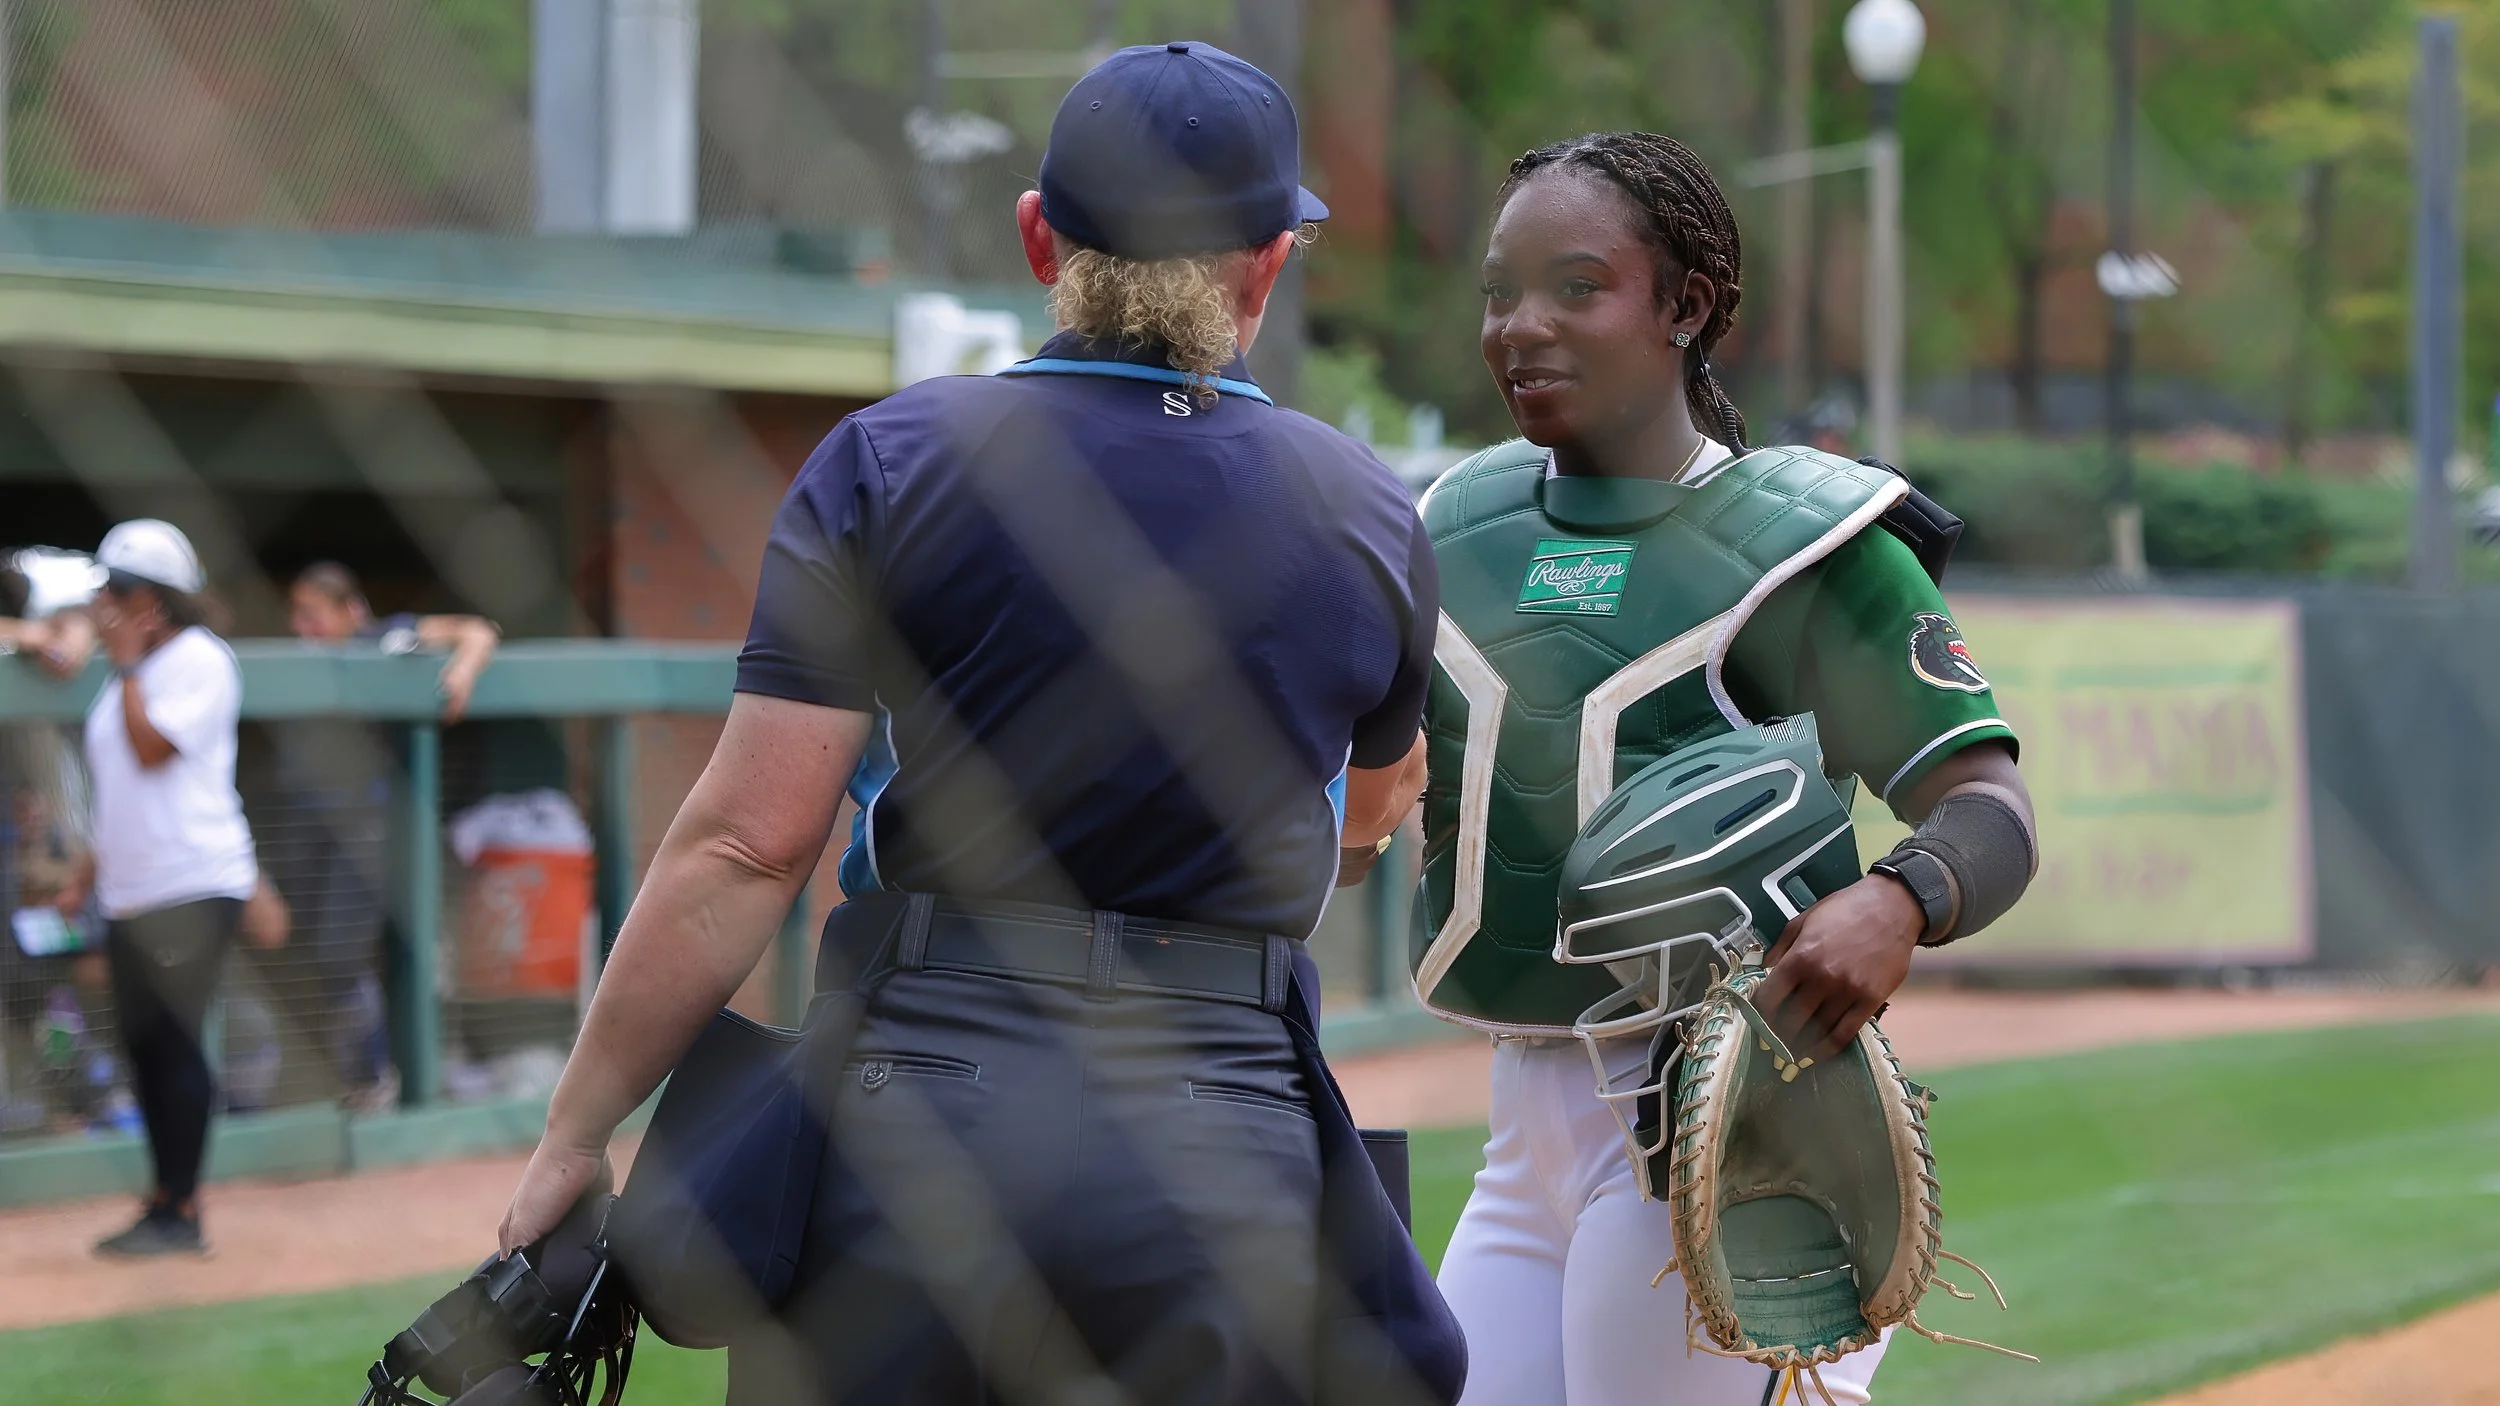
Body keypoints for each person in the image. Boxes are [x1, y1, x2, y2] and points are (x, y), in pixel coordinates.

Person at [500, 41, 1447, 1406]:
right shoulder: (1363, 507)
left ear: (1039, 236)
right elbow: (1373, 805)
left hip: (928, 1099)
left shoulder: (896, 456)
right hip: (1223, 1114)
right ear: (1267, 264)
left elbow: (749, 845)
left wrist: (577, 1127)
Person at [1414, 132, 2037, 1405]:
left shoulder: (1809, 547)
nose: (1522, 326)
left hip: (1723, 1106)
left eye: (1577, 287)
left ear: (1685, 306)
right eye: (1499, 291)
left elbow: (1990, 810)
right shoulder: (1454, 528)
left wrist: (1897, 898)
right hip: (1521, 1122)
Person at [54, 519, 259, 1256]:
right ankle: (164, 1200)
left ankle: (185, 1211)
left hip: (192, 882)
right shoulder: (127, 675)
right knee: (143, 1046)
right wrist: (85, 875)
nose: (105, 601)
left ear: (157, 601)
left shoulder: (200, 659)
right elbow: (119, 791)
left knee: (174, 1040)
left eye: (120, 589)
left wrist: (128, 662)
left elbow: (151, 751)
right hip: (130, 891)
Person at [287, 561, 500, 723]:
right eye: (297, 615)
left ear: (351, 609)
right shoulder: (296, 656)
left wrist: (461, 673)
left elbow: (479, 631)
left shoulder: (386, 637)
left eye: (311, 615)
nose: (299, 626)